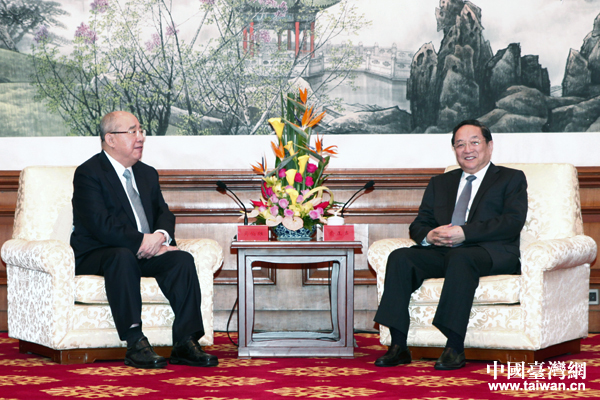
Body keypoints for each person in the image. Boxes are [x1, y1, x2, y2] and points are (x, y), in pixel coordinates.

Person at [373, 119, 527, 370]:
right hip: (444, 252)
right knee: (400, 257)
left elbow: (512, 222)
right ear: (454, 149)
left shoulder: (510, 178)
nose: (468, 149)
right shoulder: (440, 183)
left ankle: (454, 346)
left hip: (490, 252)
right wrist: (430, 236)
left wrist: (465, 233)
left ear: (489, 146)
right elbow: (419, 224)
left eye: (474, 142)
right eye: (460, 144)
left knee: (461, 258)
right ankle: (398, 345)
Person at [71, 111, 218, 369]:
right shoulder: (89, 173)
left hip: (143, 251)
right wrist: (142, 242)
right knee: (122, 256)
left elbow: (164, 213)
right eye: (132, 131)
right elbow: (101, 224)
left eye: (141, 131)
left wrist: (159, 238)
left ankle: (186, 341)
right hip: (100, 253)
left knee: (181, 260)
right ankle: (135, 342)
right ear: (110, 139)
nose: (140, 137)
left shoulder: (147, 173)